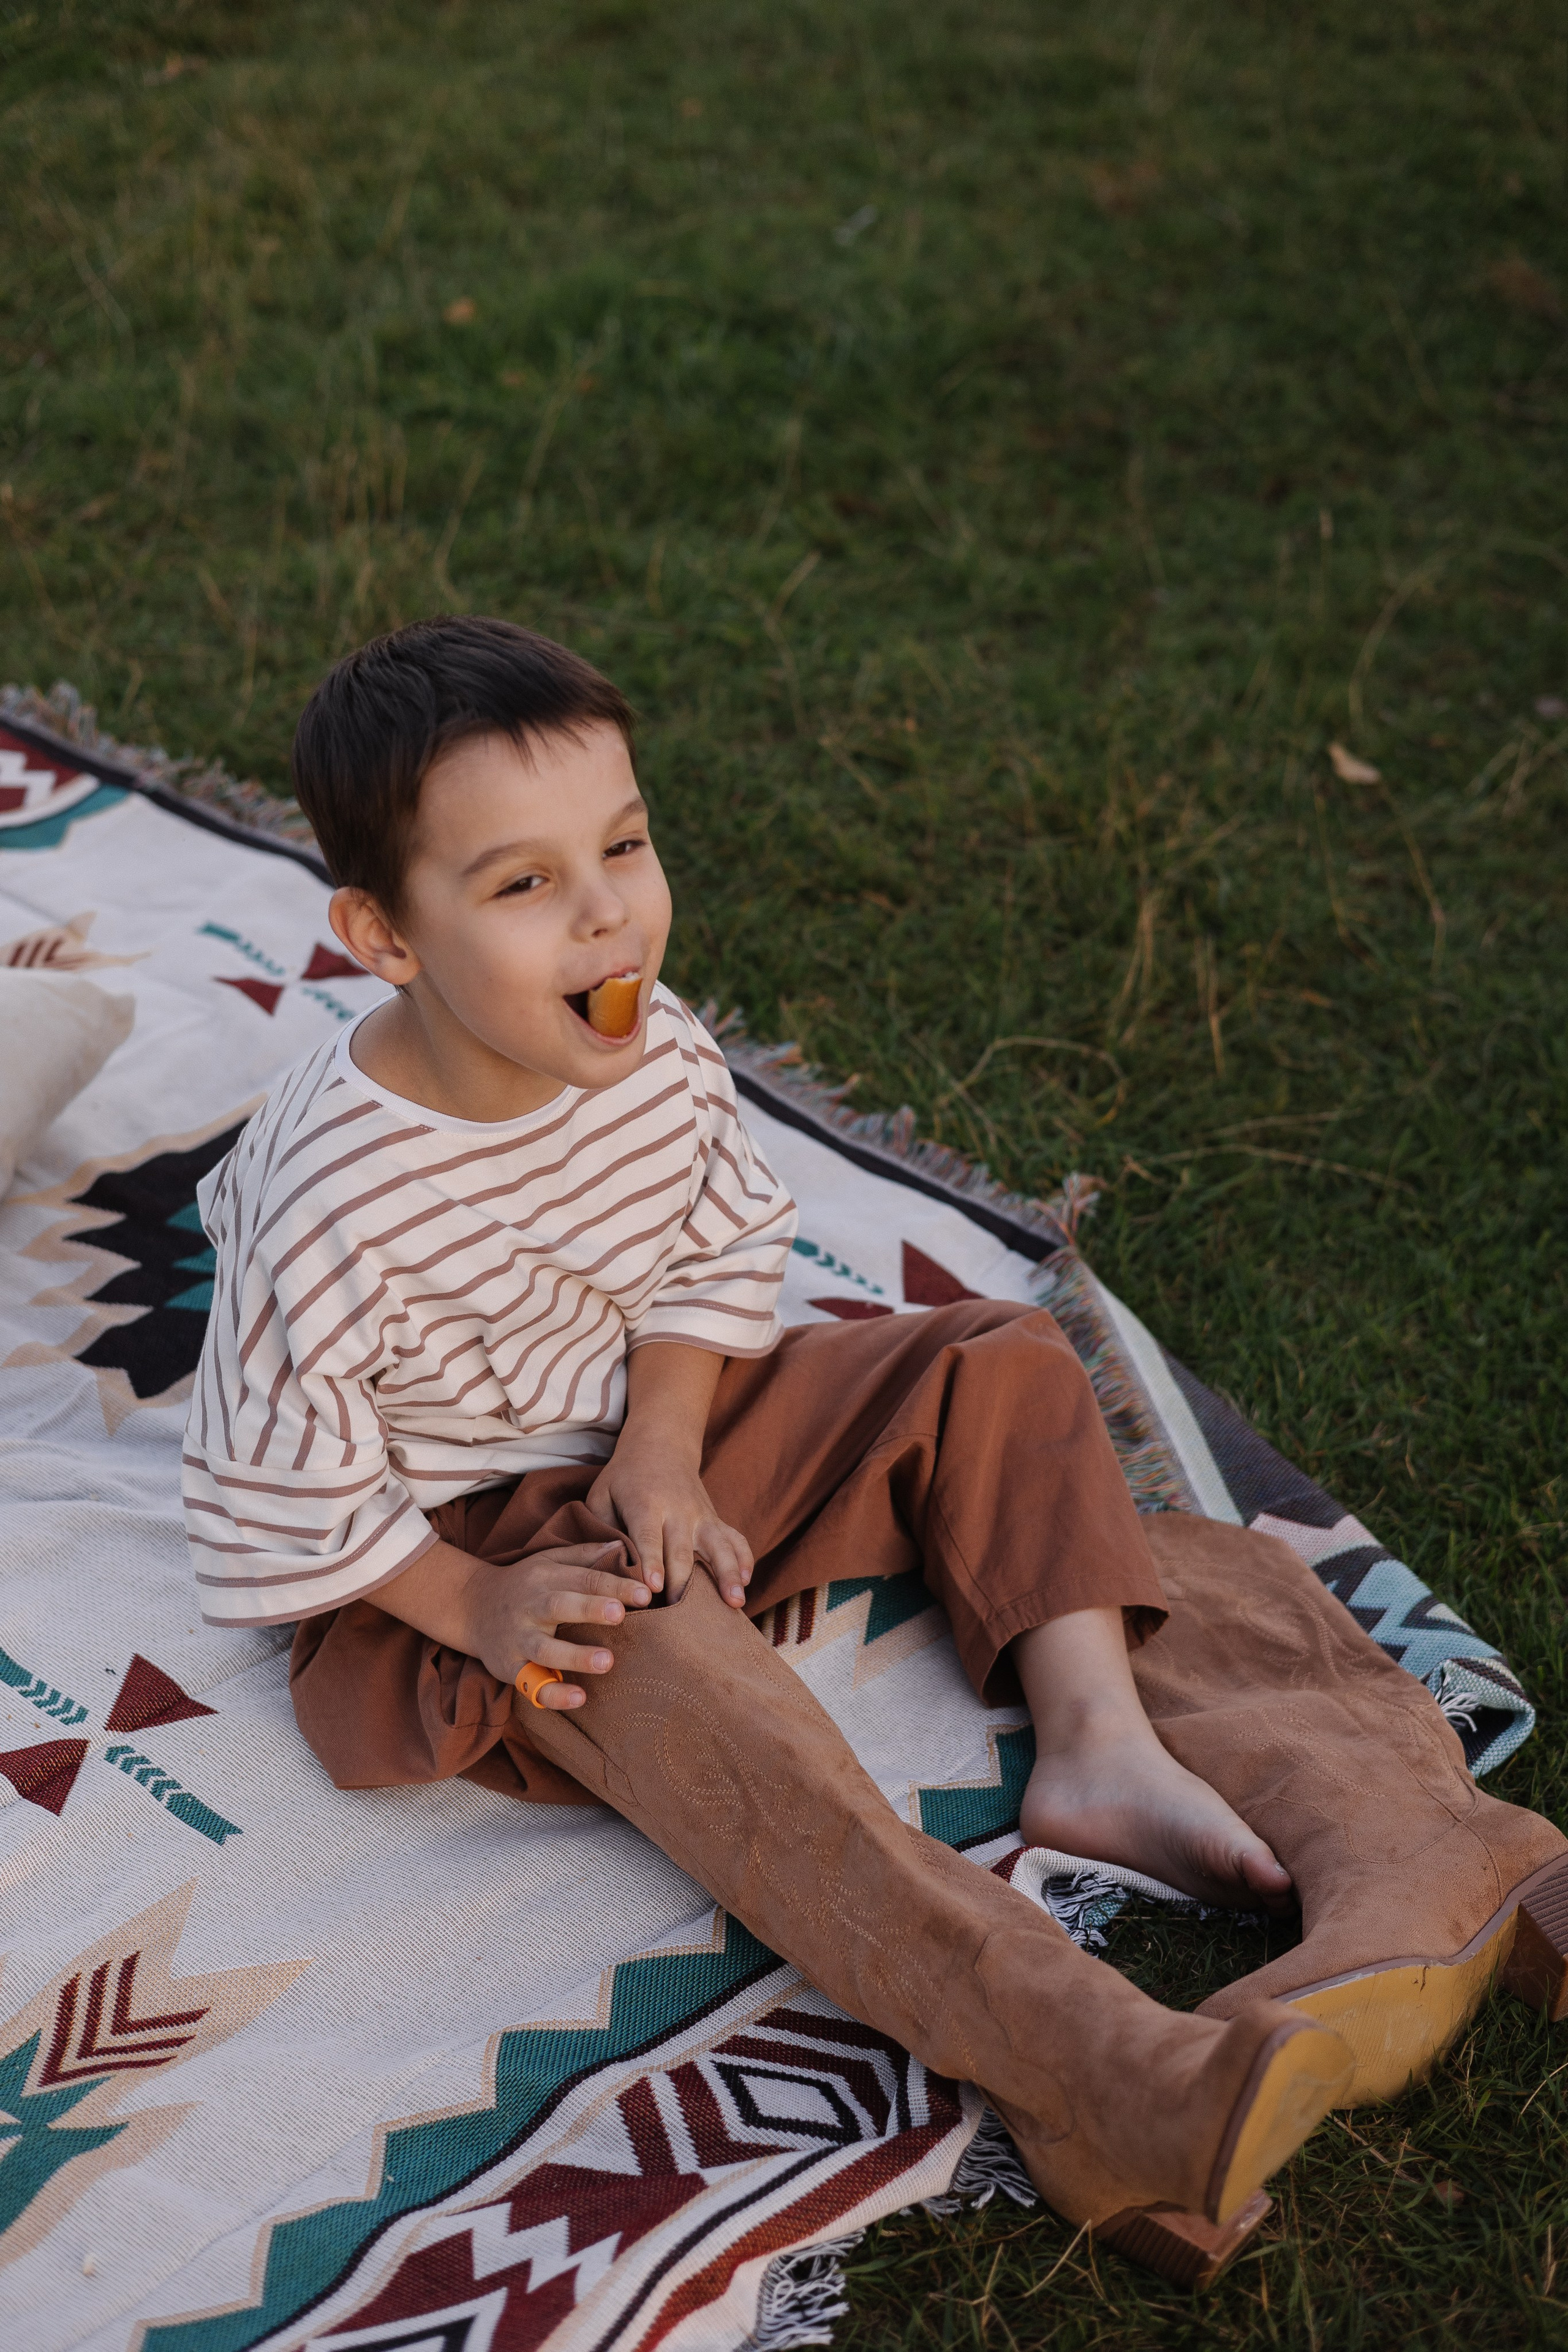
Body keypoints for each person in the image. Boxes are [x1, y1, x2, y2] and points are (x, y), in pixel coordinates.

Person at [183, 616, 1566, 2282]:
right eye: (523, 884)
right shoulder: (338, 1195)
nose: (611, 907)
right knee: (663, 1661)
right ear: (380, 935)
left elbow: (709, 1254)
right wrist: (477, 1612)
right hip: (443, 1557)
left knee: (995, 1362)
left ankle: (1180, 1766)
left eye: (622, 844)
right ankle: (1100, 2076)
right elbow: (271, 1495)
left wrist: (672, 1453)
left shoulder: (646, 1044)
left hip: (626, 1443)